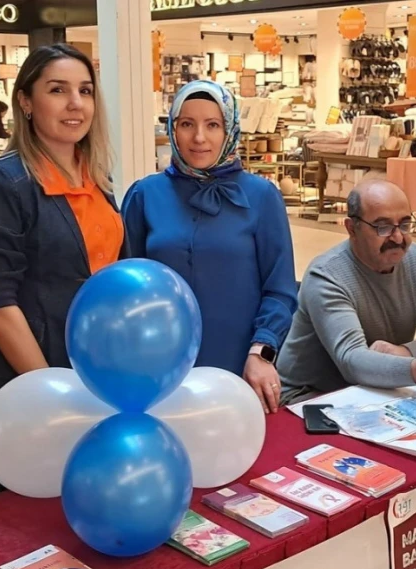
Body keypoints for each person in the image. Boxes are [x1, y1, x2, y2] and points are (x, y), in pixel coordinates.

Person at [123, 80, 298, 413]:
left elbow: (280, 290)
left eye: (212, 125)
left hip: (237, 361)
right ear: (173, 128)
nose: (199, 137)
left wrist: (261, 352)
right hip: (158, 362)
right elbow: (127, 284)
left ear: (229, 129)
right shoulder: (145, 194)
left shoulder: (261, 196)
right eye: (187, 124)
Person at [0, 44, 123, 402]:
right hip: (38, 381)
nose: (76, 104)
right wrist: (52, 392)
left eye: (85, 91)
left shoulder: (98, 177)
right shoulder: (4, 183)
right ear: (25, 102)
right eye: (57, 90)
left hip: (101, 367)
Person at [276, 179, 416, 404]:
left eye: (405, 224)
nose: (398, 238)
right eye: (384, 227)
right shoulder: (327, 275)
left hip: (375, 390)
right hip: (309, 398)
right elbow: (352, 360)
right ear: (352, 228)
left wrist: (406, 352)